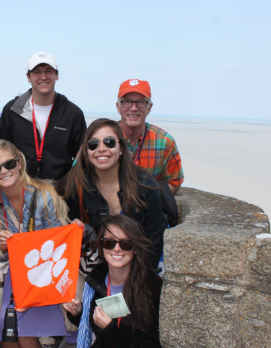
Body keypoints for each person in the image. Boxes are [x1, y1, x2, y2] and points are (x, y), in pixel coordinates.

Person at [0, 140, 70, 348]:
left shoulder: (45, 195)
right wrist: (4, 248)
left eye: (9, 164)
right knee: (7, 334)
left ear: (19, 163)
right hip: (19, 278)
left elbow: (61, 245)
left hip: (48, 276)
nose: (4, 171)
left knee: (25, 336)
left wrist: (27, 242)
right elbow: (0, 257)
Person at [63, 118, 166, 272]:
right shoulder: (77, 184)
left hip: (138, 269)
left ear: (121, 148)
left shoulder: (144, 185)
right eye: (93, 144)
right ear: (86, 151)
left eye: (109, 142)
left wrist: (140, 282)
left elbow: (154, 241)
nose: (101, 149)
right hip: (95, 269)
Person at [62, 215, 162, 348]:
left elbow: (150, 343)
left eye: (126, 243)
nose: (116, 249)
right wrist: (79, 312)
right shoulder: (96, 279)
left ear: (136, 249)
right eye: (109, 243)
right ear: (101, 246)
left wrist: (110, 329)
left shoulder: (151, 287)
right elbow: (95, 325)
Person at [0, 52, 87, 181]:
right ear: (28, 77)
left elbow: (83, 158)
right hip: (20, 190)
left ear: (57, 75)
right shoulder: (12, 111)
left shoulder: (72, 113)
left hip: (60, 194)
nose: (43, 77)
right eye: (37, 72)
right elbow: (0, 153)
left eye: (48, 71)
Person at [116, 79, 183, 195]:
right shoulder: (102, 137)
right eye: (127, 101)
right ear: (118, 107)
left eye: (141, 102)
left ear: (149, 107)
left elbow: (175, 183)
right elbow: (79, 175)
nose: (134, 108)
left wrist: (149, 199)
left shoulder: (164, 142)